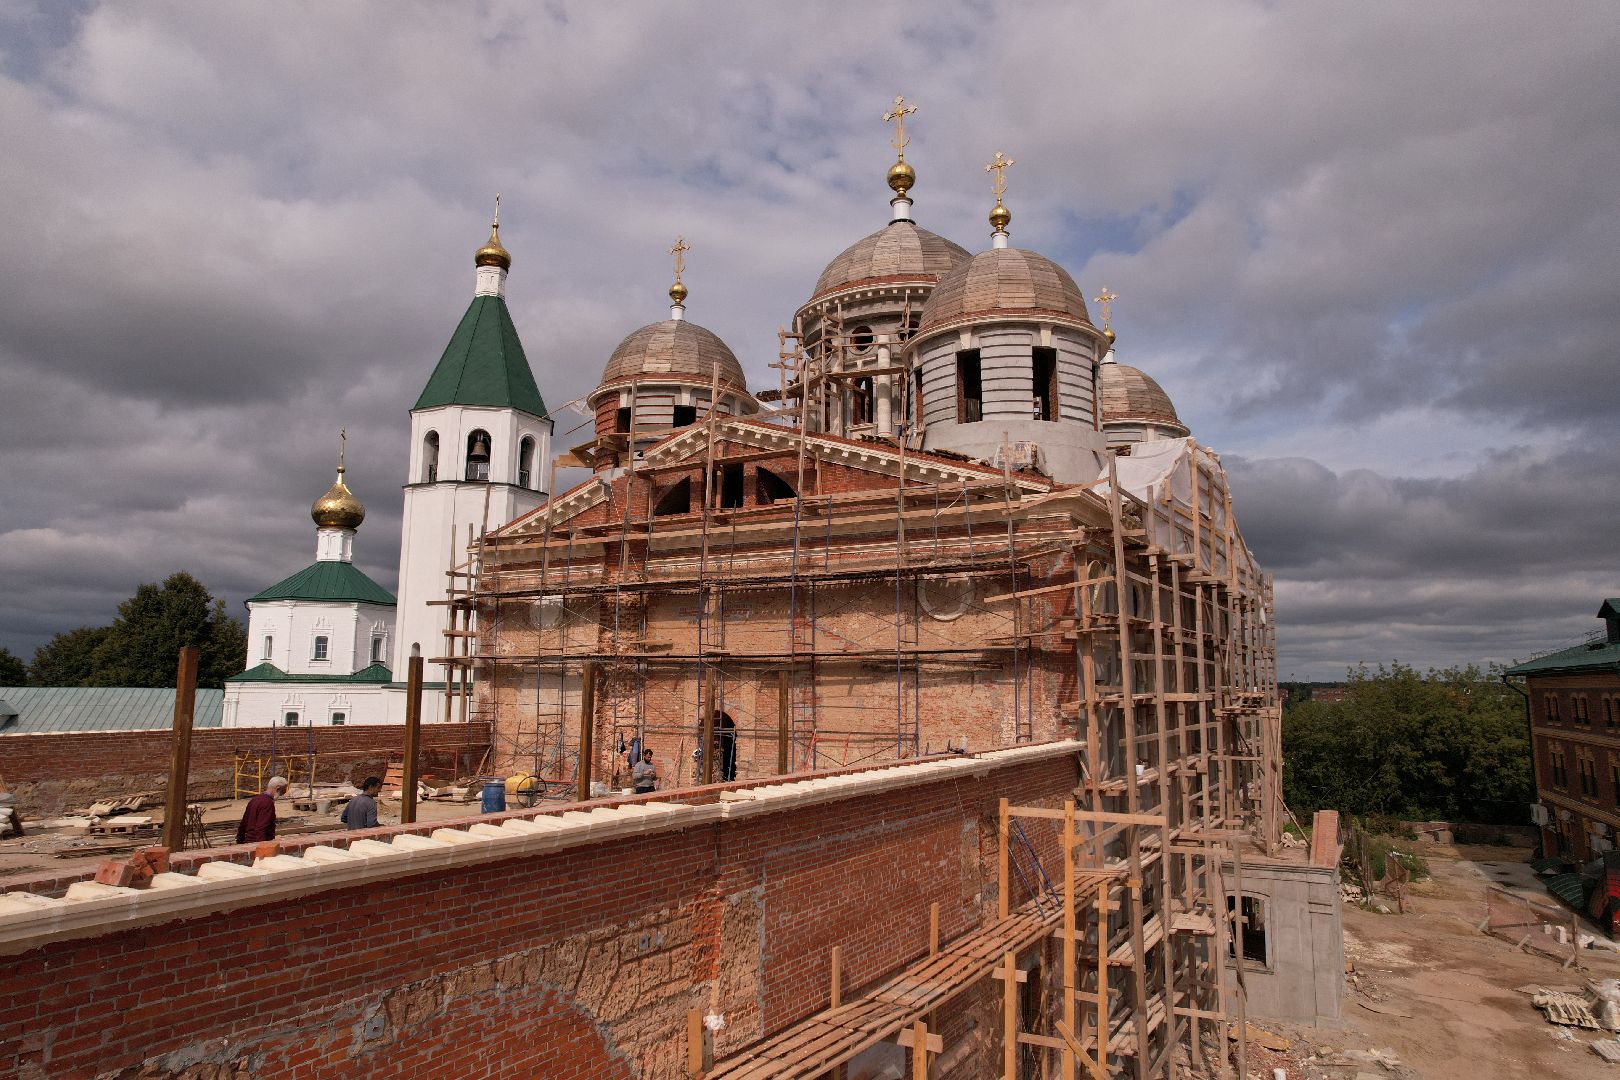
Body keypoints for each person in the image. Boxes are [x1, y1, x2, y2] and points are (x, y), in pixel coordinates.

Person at [235, 776, 287, 844]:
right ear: (278, 788)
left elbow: (243, 823)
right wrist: (262, 847)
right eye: (282, 792)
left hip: (248, 842)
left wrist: (239, 841)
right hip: (256, 844)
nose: (282, 795)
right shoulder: (267, 803)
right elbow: (261, 828)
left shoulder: (255, 799)